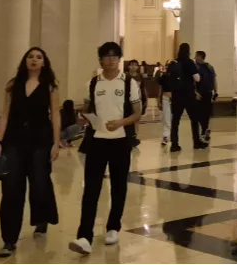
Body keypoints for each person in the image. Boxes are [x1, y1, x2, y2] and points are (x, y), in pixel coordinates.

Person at [69, 42, 142, 255]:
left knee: (118, 186)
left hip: (120, 141)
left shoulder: (129, 83)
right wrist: (83, 117)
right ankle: (84, 235)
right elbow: (86, 108)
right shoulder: (93, 84)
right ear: (100, 60)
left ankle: (113, 227)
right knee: (91, 188)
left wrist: (121, 122)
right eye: (106, 56)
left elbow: (138, 112)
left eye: (114, 56)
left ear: (119, 59)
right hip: (97, 141)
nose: (110, 60)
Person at [0, 47, 60, 258]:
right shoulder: (13, 86)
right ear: (25, 61)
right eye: (31, 57)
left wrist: (56, 143)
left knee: (40, 183)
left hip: (40, 140)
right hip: (14, 140)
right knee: (11, 189)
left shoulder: (50, 87)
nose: (34, 60)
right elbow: (5, 115)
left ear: (44, 63)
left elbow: (56, 116)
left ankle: (41, 218)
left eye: (39, 57)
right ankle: (9, 239)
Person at [168, 43, 205, 152]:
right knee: (194, 120)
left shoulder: (174, 62)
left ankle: (174, 144)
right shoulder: (189, 62)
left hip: (176, 95)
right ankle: (196, 142)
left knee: (175, 121)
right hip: (189, 95)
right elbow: (197, 78)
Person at [194, 51, 217, 143]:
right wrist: (216, 91)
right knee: (204, 113)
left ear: (200, 57)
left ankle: (204, 130)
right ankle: (205, 129)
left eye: (196, 56)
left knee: (201, 113)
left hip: (202, 93)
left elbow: (194, 81)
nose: (195, 58)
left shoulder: (198, 67)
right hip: (206, 92)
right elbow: (214, 80)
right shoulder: (209, 67)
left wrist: (195, 92)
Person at [126, 60, 146, 148]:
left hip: (138, 100)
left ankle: (135, 135)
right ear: (129, 66)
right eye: (132, 65)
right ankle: (129, 136)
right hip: (128, 101)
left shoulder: (139, 76)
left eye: (135, 65)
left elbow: (143, 89)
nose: (133, 67)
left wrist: (146, 99)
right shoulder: (126, 76)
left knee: (137, 118)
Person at [157, 61, 174, 146]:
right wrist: (159, 100)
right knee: (166, 118)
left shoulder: (177, 76)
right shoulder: (164, 76)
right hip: (165, 98)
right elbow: (160, 89)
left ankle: (173, 136)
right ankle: (165, 136)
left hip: (175, 99)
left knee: (173, 119)